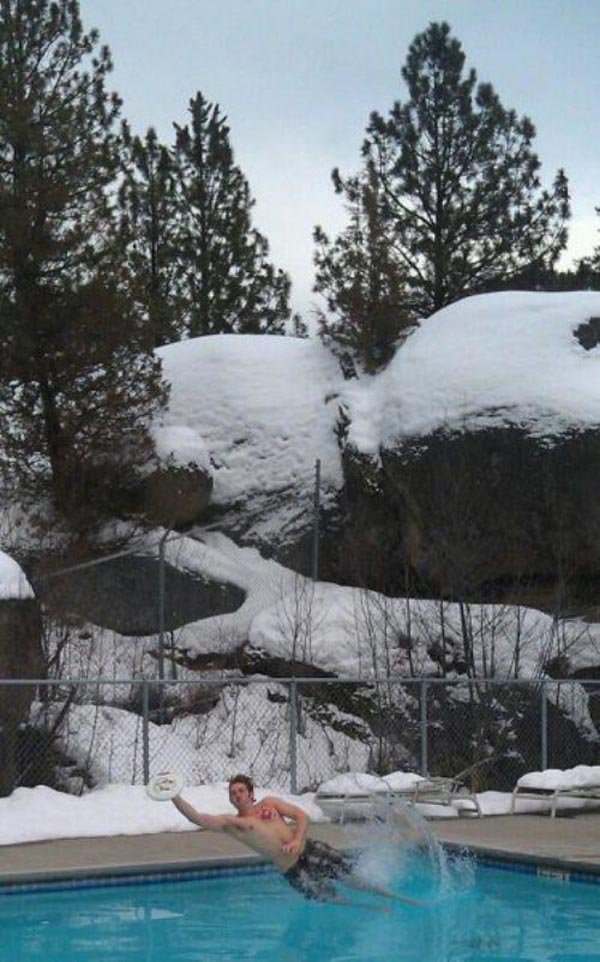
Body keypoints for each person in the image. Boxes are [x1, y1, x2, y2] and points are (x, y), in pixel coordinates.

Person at [166, 772, 419, 909]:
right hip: (291, 869)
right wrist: (173, 796)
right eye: (233, 793)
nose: (237, 795)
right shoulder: (236, 825)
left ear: (251, 793)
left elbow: (302, 816)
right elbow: (197, 817)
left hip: (309, 849)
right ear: (231, 800)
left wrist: (298, 839)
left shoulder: (271, 804)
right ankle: (373, 910)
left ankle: (400, 900)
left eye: (241, 790)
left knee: (354, 878)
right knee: (332, 899)